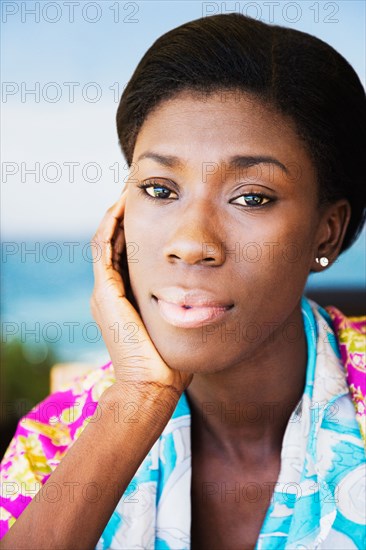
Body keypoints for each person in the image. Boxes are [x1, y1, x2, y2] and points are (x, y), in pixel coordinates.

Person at [1, 12, 365, 550]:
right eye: (160, 189)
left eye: (251, 198)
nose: (191, 242)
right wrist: (140, 397)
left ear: (326, 233)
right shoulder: (54, 439)